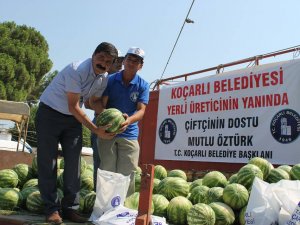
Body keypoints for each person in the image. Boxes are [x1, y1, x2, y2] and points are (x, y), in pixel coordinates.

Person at [35, 42, 118, 225]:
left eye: (108, 61)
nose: (103, 64)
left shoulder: (103, 78)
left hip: (71, 119)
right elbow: (74, 106)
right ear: (93, 55)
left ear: (111, 64)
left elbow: (90, 103)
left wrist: (113, 116)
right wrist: (96, 129)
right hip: (50, 113)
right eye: (101, 58)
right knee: (48, 162)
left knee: (74, 163)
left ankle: (70, 208)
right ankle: (52, 210)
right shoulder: (76, 69)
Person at [90, 47, 149, 196]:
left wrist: (129, 120)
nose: (131, 63)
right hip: (108, 132)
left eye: (136, 61)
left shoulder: (143, 85)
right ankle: (104, 207)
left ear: (140, 66)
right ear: (124, 61)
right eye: (129, 59)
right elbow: (100, 104)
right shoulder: (110, 80)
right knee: (107, 171)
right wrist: (106, 115)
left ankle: (124, 210)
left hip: (129, 133)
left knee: (128, 173)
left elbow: (141, 110)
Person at [86, 50, 125, 191]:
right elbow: (87, 103)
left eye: (122, 61)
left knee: (118, 167)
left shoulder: (123, 81)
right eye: (117, 61)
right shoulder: (101, 80)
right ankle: (99, 199)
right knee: (101, 165)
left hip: (120, 129)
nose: (120, 64)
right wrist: (107, 113)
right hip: (102, 127)